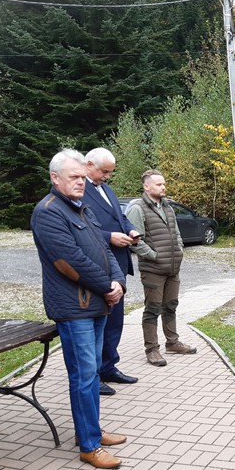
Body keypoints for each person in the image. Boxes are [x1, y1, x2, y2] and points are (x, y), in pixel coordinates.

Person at [31, 149, 128, 469]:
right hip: (74, 308)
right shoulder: (48, 212)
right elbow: (70, 262)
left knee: (92, 373)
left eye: (82, 177)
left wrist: (118, 282)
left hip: (96, 303)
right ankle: (89, 446)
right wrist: (107, 287)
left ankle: (91, 431)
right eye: (73, 177)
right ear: (54, 178)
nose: (81, 182)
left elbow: (105, 249)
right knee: (84, 376)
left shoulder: (81, 207)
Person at [82, 147, 140, 395]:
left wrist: (131, 229)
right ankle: (94, 374)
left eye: (109, 172)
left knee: (115, 321)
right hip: (98, 265)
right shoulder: (79, 190)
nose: (107, 176)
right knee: (99, 323)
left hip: (118, 265)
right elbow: (81, 227)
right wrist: (109, 237)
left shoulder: (105, 189)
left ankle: (108, 367)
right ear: (88, 164)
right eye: (104, 171)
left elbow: (120, 217)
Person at [126, 169, 197, 366]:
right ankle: (152, 349)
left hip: (172, 268)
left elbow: (176, 233)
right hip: (153, 270)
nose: (163, 187)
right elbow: (134, 241)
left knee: (171, 306)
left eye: (164, 183)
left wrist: (179, 249)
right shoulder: (137, 208)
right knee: (152, 309)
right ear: (146, 186)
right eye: (159, 184)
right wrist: (153, 256)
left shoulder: (168, 207)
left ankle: (172, 343)